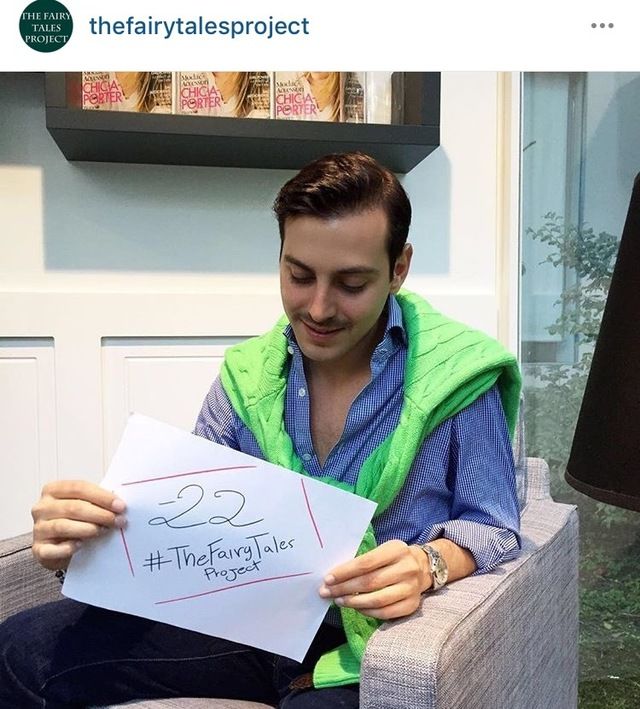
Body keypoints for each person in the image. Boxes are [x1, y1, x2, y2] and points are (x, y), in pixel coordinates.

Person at [0, 151, 522, 708]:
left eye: (351, 283)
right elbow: (188, 529)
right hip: (251, 624)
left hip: (376, 640)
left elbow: (495, 526)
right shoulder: (247, 379)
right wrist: (82, 551)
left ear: (399, 268)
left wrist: (429, 564)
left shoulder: (458, 378)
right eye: (299, 276)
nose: (318, 307)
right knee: (17, 652)